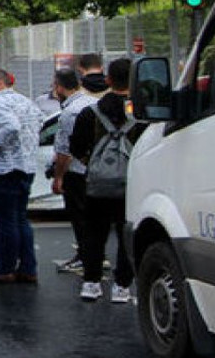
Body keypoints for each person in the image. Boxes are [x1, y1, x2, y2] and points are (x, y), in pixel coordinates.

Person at [69, 58, 146, 303]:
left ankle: (91, 282)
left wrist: (94, 163)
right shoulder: (144, 114)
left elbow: (77, 147)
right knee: (126, 235)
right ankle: (122, 286)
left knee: (93, 232)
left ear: (108, 80)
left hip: (97, 185)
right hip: (132, 184)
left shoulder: (90, 113)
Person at [0, 68, 44, 284]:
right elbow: (39, 121)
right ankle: (27, 267)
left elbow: (11, 126)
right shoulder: (25, 101)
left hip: (4, 168)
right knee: (20, 218)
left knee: (5, 221)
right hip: (26, 166)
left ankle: (5, 268)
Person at [50, 64, 101, 274]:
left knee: (79, 217)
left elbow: (65, 151)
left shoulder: (70, 112)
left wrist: (58, 177)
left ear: (59, 87)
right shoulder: (94, 103)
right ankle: (96, 254)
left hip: (77, 172)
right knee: (93, 217)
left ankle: (85, 257)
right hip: (96, 169)